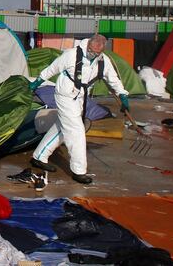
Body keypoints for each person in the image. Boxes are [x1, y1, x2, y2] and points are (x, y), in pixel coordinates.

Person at [28, 34, 129, 184]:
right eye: (91, 50)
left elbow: (113, 79)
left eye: (96, 52)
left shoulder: (103, 61)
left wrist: (122, 95)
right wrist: (36, 82)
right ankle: (79, 171)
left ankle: (39, 156)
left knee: (63, 127)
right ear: (88, 45)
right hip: (65, 94)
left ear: (101, 51)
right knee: (76, 131)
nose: (92, 54)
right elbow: (52, 69)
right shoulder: (72, 55)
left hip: (80, 97)